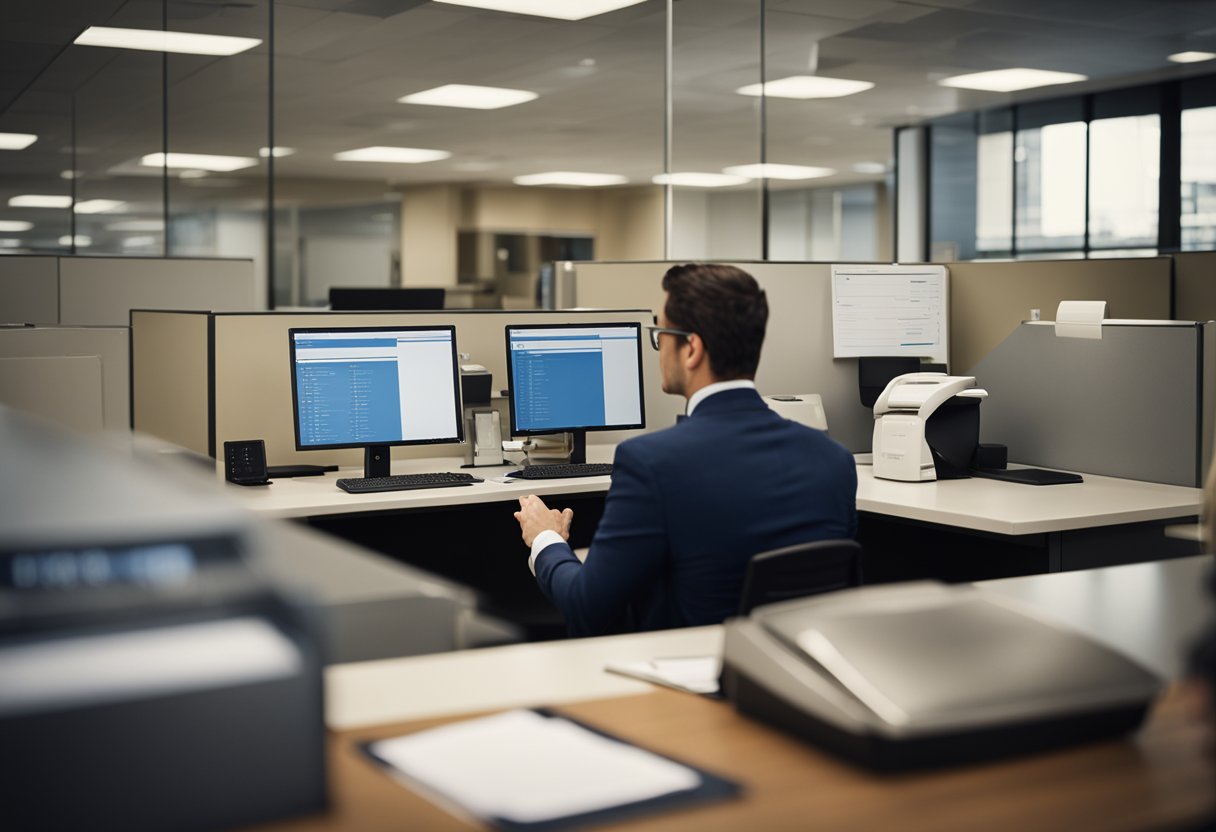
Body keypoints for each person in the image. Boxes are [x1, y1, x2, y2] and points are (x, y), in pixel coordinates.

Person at [513, 263, 857, 637]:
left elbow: (587, 608)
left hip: (690, 678)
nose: (659, 348)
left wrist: (545, 539)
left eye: (661, 334)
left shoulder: (651, 463)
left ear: (691, 348)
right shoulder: (833, 460)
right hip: (792, 676)